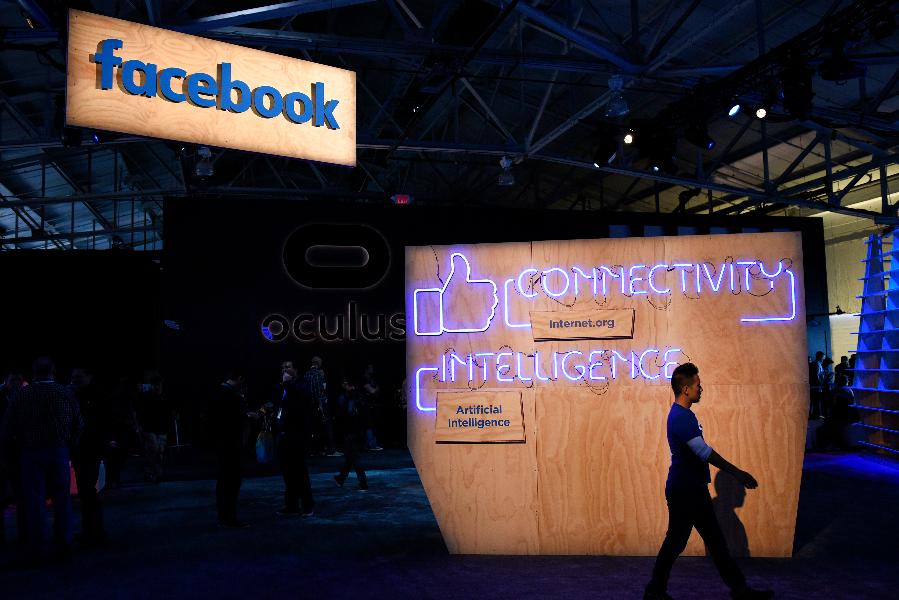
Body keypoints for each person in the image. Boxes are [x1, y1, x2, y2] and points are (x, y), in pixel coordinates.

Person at [644, 363, 773, 600]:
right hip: (685, 491)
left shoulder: (684, 415)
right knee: (680, 542)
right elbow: (704, 452)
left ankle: (739, 590)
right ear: (685, 389)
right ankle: (655, 590)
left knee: (710, 542)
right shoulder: (681, 418)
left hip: (692, 489)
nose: (701, 389)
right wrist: (738, 473)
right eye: (698, 385)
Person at [0, 357, 83, 564]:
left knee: (35, 501)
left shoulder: (22, 395)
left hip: (30, 453)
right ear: (53, 371)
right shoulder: (65, 393)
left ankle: (39, 547)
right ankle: (64, 543)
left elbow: (7, 428)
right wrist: (69, 446)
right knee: (62, 499)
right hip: (59, 451)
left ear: (33, 372)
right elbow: (78, 424)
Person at [207, 369, 257, 528]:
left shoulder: (216, 393)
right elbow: (236, 420)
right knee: (231, 482)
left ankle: (224, 516)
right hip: (231, 445)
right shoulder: (232, 396)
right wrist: (248, 416)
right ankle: (230, 518)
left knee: (223, 481)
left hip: (221, 444)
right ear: (239, 379)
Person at [69, 366, 108, 545]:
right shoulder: (81, 395)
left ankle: (94, 530)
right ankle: (92, 528)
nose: (74, 380)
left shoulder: (94, 396)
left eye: (78, 376)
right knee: (87, 490)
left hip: (89, 448)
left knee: (88, 490)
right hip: (84, 449)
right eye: (73, 377)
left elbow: (97, 424)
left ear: (89, 376)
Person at [277, 361, 315, 517]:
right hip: (285, 433)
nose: (284, 369)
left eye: (288, 367)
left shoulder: (302, 384)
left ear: (296, 369)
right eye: (283, 367)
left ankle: (308, 505)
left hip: (298, 434)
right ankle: (291, 505)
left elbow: (302, 401)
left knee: (300, 471)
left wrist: (287, 384)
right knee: (287, 471)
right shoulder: (284, 386)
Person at [0, 371, 26, 547]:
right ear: (6, 381)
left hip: (19, 453)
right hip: (5, 452)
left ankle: (25, 533)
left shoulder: (24, 397)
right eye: (13, 380)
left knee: (22, 495)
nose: (16, 383)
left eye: (18, 380)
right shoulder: (9, 398)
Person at [134, 373, 171, 483]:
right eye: (156, 384)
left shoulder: (164, 397)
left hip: (162, 428)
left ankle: (154, 472)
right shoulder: (146, 397)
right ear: (152, 385)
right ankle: (153, 472)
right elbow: (138, 411)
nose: (158, 387)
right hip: (149, 428)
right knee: (154, 448)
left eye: (159, 384)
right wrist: (139, 425)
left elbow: (168, 411)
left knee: (159, 452)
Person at [334, 375, 368, 491]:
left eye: (345, 383)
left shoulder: (346, 397)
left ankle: (363, 482)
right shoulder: (359, 396)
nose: (343, 385)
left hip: (351, 431)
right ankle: (341, 478)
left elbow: (344, 415)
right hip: (358, 430)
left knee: (354, 456)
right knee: (350, 456)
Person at [304, 356, 339, 456]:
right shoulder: (318, 374)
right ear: (318, 363)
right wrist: (322, 403)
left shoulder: (306, 374)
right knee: (327, 426)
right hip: (320, 404)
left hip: (310, 406)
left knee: (314, 428)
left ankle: (314, 450)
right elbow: (319, 392)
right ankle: (331, 450)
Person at [361, 364, 383, 451]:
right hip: (366, 404)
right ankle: (371, 444)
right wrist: (375, 389)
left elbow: (376, 390)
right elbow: (372, 391)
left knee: (373, 424)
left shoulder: (371, 378)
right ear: (367, 369)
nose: (372, 369)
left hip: (372, 404)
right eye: (371, 368)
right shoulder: (364, 379)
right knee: (369, 424)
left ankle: (372, 443)